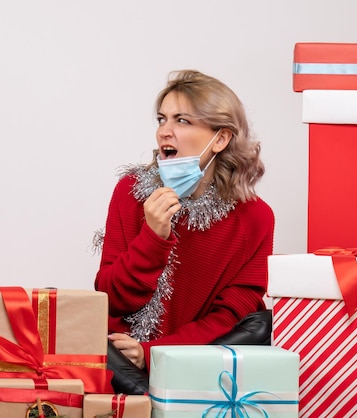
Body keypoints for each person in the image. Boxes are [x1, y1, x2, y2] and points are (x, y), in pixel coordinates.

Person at [94, 69, 274, 387]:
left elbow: (229, 319)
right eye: (162, 119)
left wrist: (153, 353)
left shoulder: (256, 218)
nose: (165, 131)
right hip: (119, 367)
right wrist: (153, 237)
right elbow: (109, 299)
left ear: (220, 138)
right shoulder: (130, 192)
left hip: (197, 370)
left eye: (182, 121)